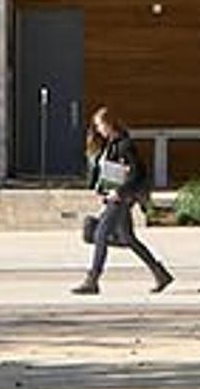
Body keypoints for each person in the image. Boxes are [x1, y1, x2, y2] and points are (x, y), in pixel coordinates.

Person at [73, 105, 172, 295]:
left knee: (101, 234)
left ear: (109, 124)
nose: (99, 130)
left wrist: (120, 191)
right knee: (128, 238)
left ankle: (92, 280)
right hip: (113, 196)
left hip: (121, 198)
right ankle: (160, 274)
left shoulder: (124, 144)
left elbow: (137, 172)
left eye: (100, 125)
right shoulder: (110, 145)